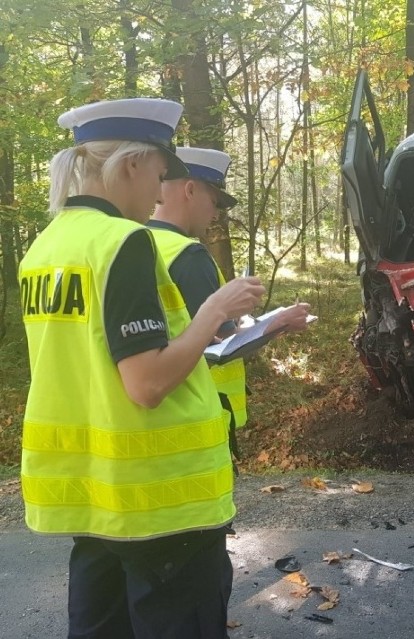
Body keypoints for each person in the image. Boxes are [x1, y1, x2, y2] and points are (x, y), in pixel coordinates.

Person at [18, 98, 266, 639]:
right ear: (132, 164)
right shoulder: (122, 242)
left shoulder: (46, 245)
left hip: (96, 499)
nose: (159, 192)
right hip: (162, 506)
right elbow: (147, 383)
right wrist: (214, 313)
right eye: (158, 173)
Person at [148, 147, 310, 441]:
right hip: (200, 409)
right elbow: (216, 346)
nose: (216, 214)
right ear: (189, 190)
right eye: (214, 201)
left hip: (159, 416)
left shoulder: (136, 242)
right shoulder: (190, 256)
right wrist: (277, 324)